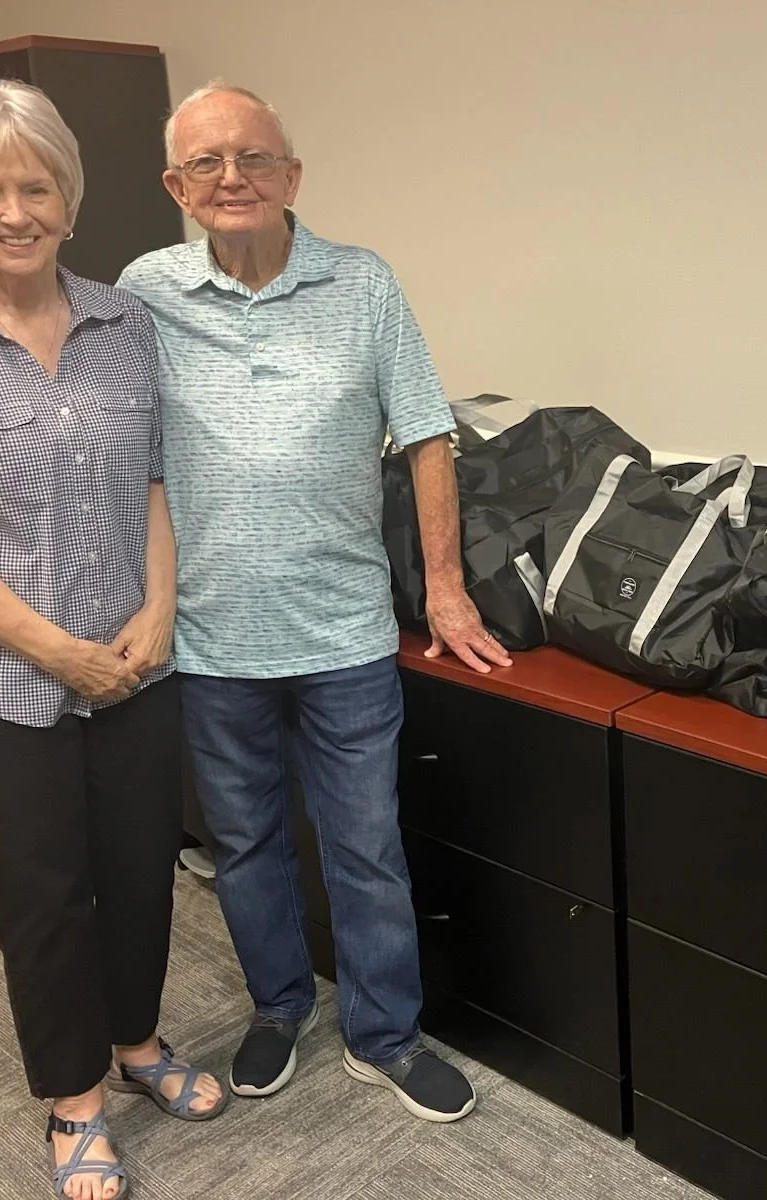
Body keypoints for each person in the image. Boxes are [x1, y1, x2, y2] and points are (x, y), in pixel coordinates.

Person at [0, 80, 225, 1200]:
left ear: (68, 198)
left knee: (139, 871)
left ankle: (136, 1043)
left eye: (36, 185)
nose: (14, 209)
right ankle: (73, 1100)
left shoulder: (127, 323)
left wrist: (158, 610)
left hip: (133, 663)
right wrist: (55, 652)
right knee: (44, 892)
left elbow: (158, 479)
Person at [118, 80, 510, 1124]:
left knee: (365, 844)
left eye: (253, 158)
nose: (231, 178)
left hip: (342, 629)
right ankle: (279, 1007)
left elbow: (427, 433)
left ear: (292, 175)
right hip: (207, 638)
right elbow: (126, 456)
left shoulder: (362, 283)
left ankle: (384, 1035)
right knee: (245, 846)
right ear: (175, 185)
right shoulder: (141, 293)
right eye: (206, 163)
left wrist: (445, 588)